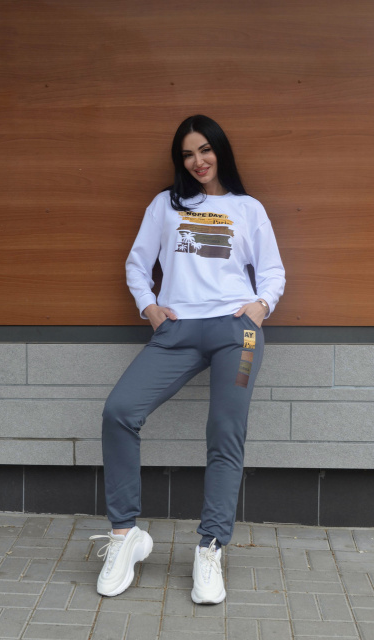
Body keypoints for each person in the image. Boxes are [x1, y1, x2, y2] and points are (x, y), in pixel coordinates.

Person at [90, 115, 285, 604]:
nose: (198, 161)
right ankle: (125, 536)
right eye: (188, 154)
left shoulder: (248, 208)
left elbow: (273, 270)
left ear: (220, 151)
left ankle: (210, 547)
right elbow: (138, 263)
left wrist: (261, 307)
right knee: (119, 412)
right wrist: (150, 307)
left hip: (239, 337)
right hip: (176, 332)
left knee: (225, 431)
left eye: (205, 150)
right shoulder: (166, 205)